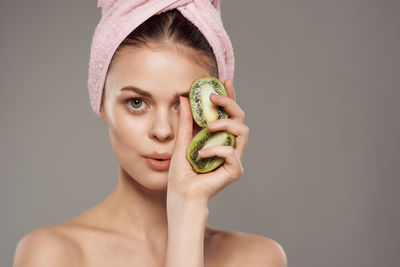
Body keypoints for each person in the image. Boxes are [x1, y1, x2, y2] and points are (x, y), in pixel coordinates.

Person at [13, 1, 287, 266]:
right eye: (136, 103)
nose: (162, 131)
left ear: (218, 111)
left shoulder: (257, 258)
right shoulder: (52, 255)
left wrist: (188, 209)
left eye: (183, 106)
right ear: (100, 104)